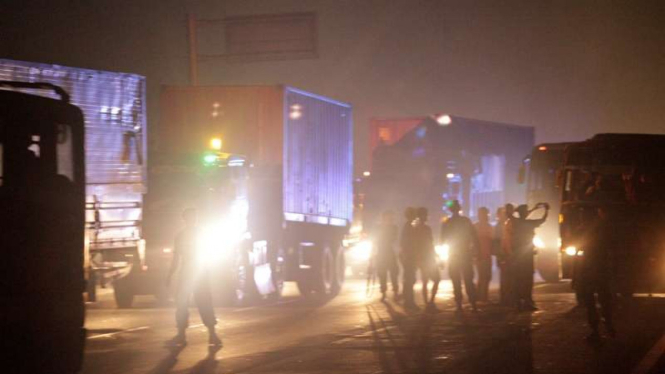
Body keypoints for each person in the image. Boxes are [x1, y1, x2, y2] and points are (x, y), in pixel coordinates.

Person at [166, 208, 221, 346]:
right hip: (198, 273)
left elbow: (176, 259)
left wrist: (170, 274)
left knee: (185, 303)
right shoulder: (199, 234)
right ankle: (211, 335)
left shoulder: (182, 235)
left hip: (191, 273)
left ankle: (183, 335)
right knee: (201, 303)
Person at [579, 207, 615, 341]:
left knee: (590, 301)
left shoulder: (586, 231)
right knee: (603, 298)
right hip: (600, 268)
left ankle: (596, 329)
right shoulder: (602, 228)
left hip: (590, 269)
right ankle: (608, 324)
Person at [440, 200, 479, 311]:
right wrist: (476, 251)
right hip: (465, 254)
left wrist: (442, 259)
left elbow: (442, 241)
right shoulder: (466, 221)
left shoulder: (447, 222)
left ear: (451, 210)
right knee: (468, 279)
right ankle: (473, 303)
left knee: (456, 280)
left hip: (454, 255)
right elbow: (474, 237)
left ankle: (459, 304)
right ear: (459, 208)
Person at [511, 203, 549, 311]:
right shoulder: (529, 223)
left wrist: (532, 209)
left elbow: (511, 215)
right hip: (527, 255)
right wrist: (544, 210)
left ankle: (518, 302)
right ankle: (527, 300)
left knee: (518, 278)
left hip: (518, 255)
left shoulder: (516, 222)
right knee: (527, 279)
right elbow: (543, 219)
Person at [413, 207, 441, 311]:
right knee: (432, 279)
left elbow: (430, 244)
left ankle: (428, 303)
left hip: (427, 257)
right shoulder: (421, 229)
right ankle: (429, 302)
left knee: (428, 280)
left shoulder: (421, 228)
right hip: (425, 257)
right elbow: (426, 244)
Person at [373, 210, 400, 302]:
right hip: (382, 253)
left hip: (388, 252)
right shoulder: (381, 228)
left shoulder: (393, 228)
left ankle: (395, 292)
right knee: (382, 274)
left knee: (393, 274)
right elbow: (375, 241)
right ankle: (384, 293)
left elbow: (395, 240)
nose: (390, 219)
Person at [400, 207, 419, 310]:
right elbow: (408, 243)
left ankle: (408, 301)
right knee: (410, 279)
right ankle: (409, 302)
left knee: (409, 279)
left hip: (408, 257)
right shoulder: (409, 227)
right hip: (409, 257)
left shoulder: (408, 226)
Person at [474, 207, 493, 302]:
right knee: (482, 276)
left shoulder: (489, 226)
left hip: (487, 254)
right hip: (480, 255)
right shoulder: (476, 227)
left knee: (487, 276)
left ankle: (482, 295)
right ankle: (481, 296)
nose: (486, 216)